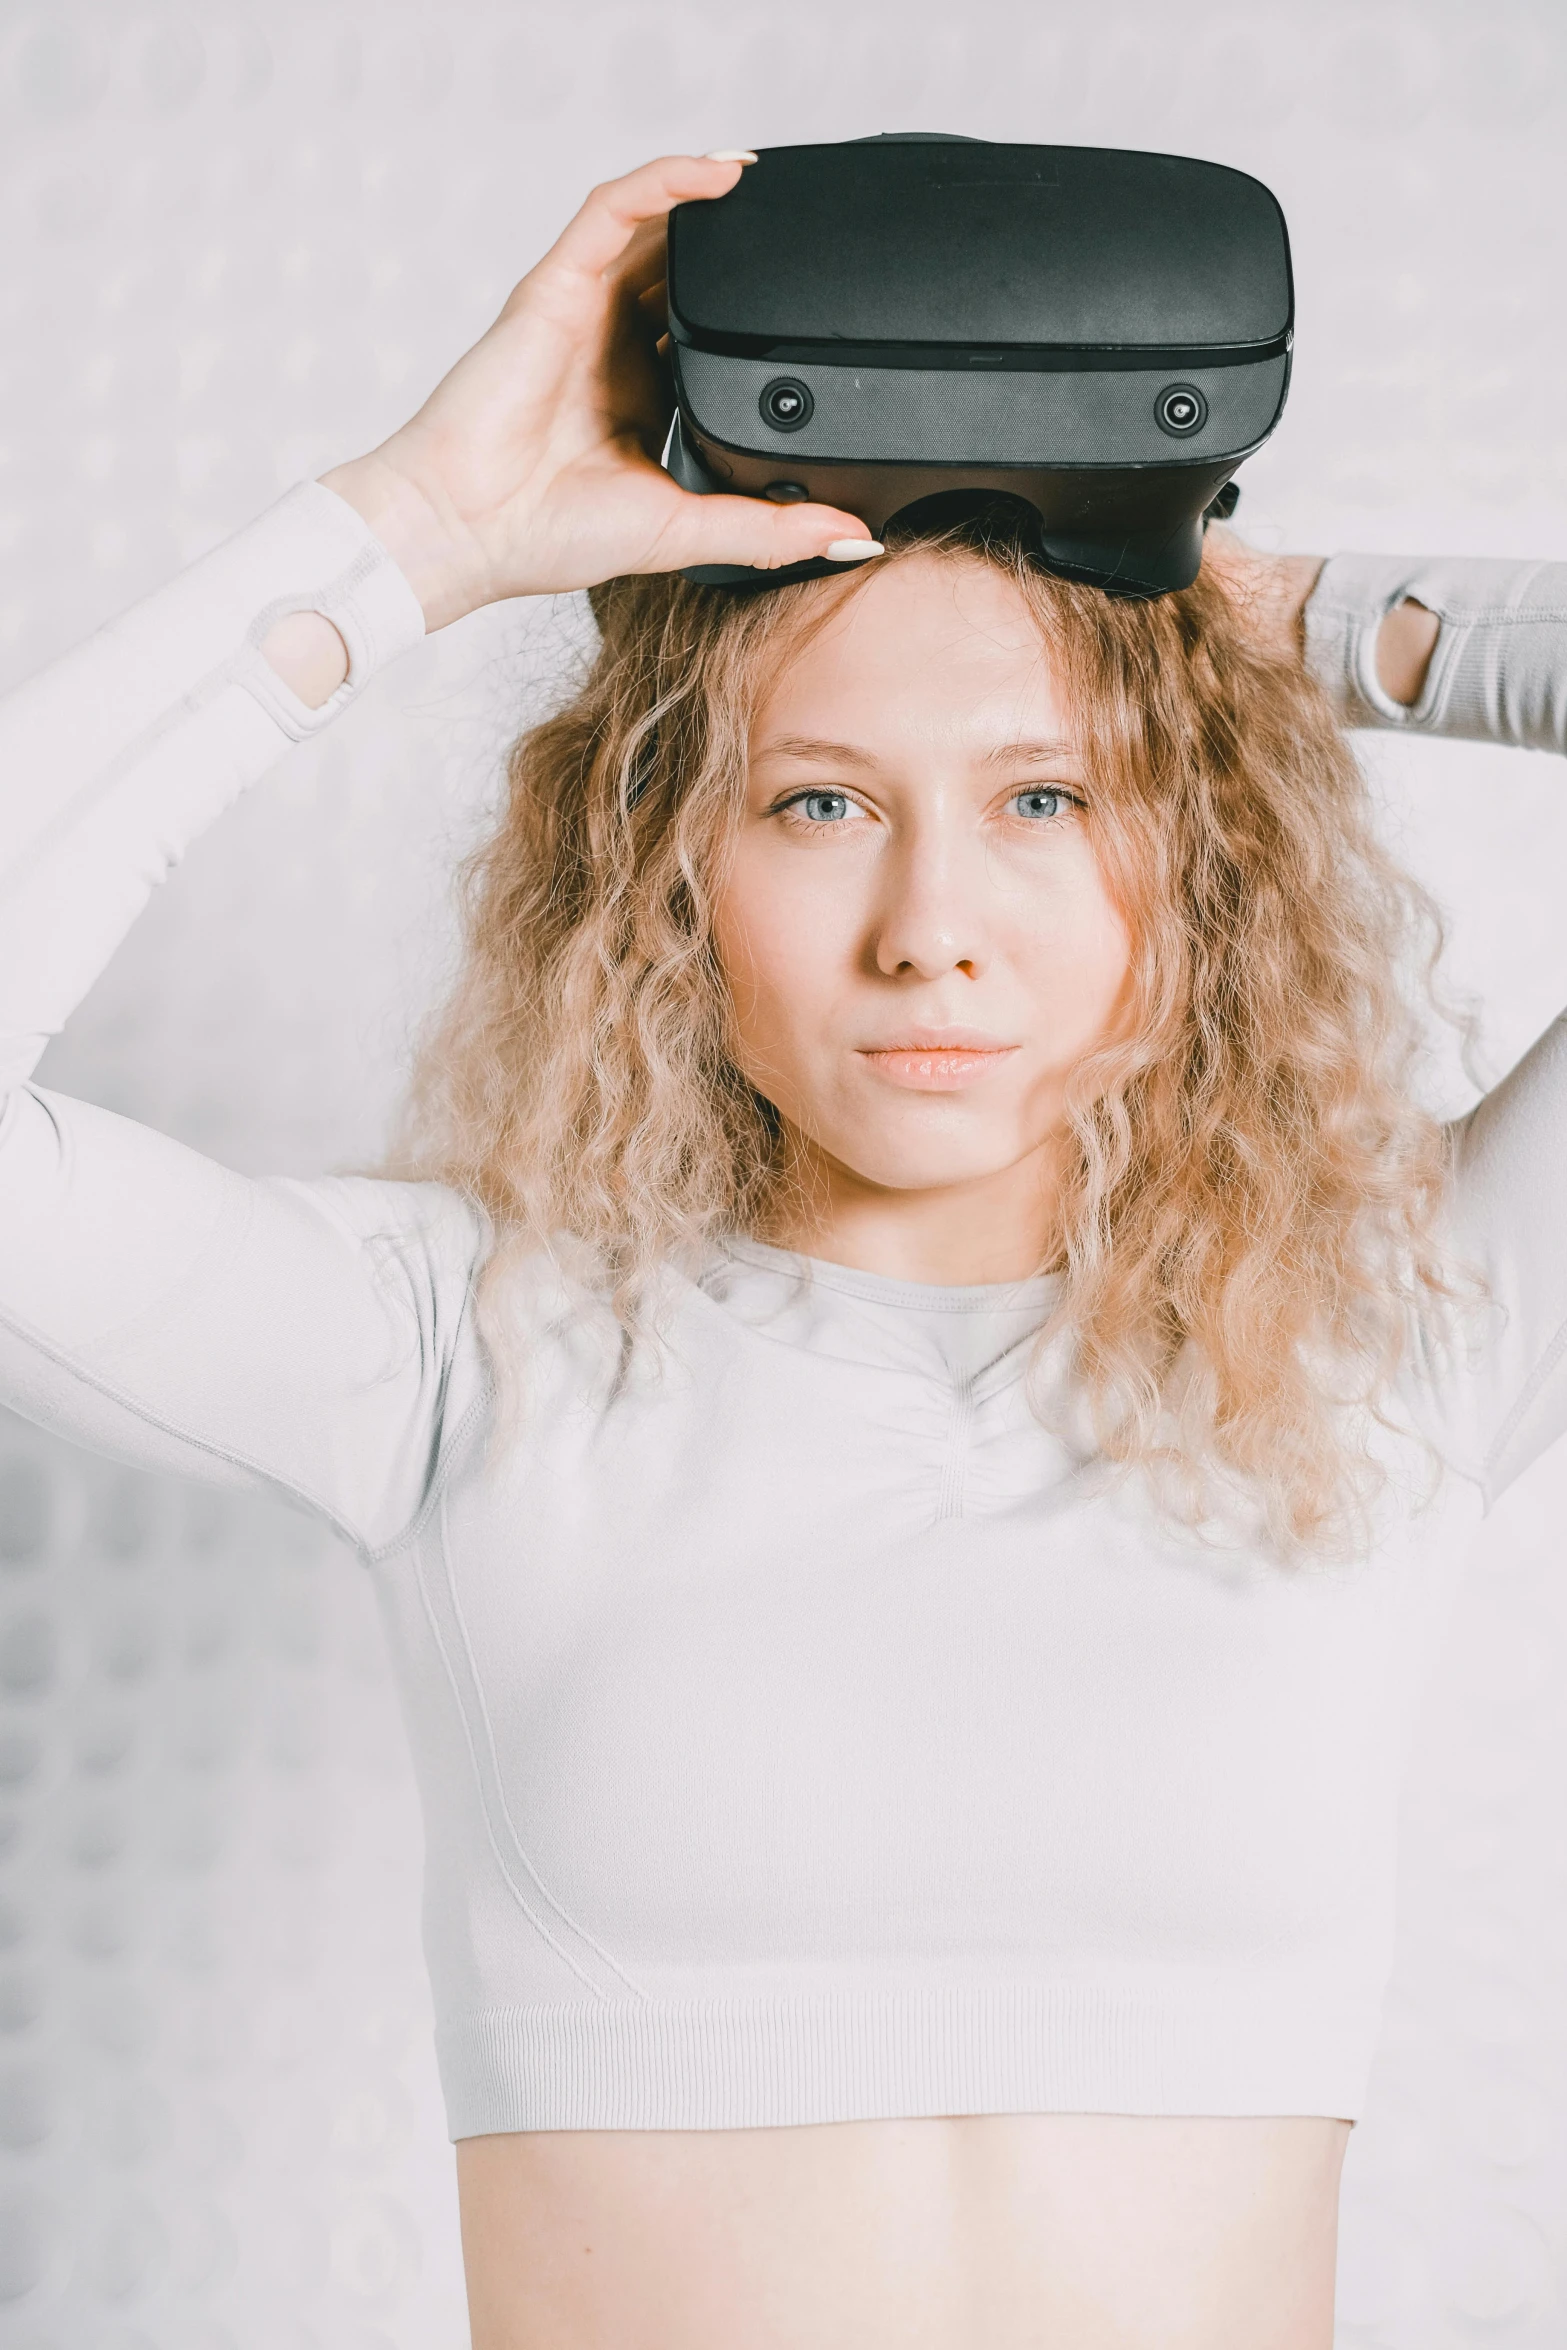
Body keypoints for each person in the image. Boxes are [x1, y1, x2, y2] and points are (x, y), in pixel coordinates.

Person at [2, 149, 1564, 2350]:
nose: (932, 921)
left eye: (1051, 798)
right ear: (664, 875)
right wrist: (419, 537)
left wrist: (1254, 613)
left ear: (1197, 857)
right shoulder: (463, 1346)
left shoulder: (1391, 1332)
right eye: (819, 800)